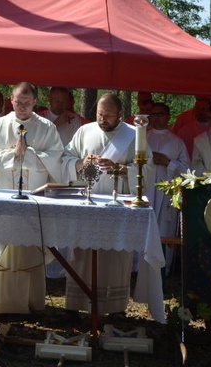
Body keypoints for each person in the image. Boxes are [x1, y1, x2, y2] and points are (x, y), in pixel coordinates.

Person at [60, 93, 155, 314]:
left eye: (108, 115)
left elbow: (148, 169)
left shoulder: (133, 135)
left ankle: (112, 308)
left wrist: (120, 169)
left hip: (117, 206)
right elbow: (65, 158)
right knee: (82, 252)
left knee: (114, 255)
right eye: (100, 114)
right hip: (87, 202)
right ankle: (77, 305)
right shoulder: (85, 131)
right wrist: (81, 162)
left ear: (120, 115)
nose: (102, 119)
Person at [0, 82, 64, 315]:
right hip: (3, 193)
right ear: (11, 100)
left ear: (35, 102)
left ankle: (29, 301)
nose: (22, 106)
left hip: (33, 194)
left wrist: (31, 154)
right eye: (18, 101)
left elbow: (56, 159)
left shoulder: (46, 128)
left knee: (29, 244)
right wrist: (10, 154)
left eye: (27, 102)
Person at [146, 102, 190, 274]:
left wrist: (167, 162)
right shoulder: (142, 138)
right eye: (154, 114)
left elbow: (187, 168)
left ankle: (163, 268)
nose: (157, 118)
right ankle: (139, 268)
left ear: (168, 117)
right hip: (147, 189)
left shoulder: (177, 142)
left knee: (164, 227)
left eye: (160, 114)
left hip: (166, 191)